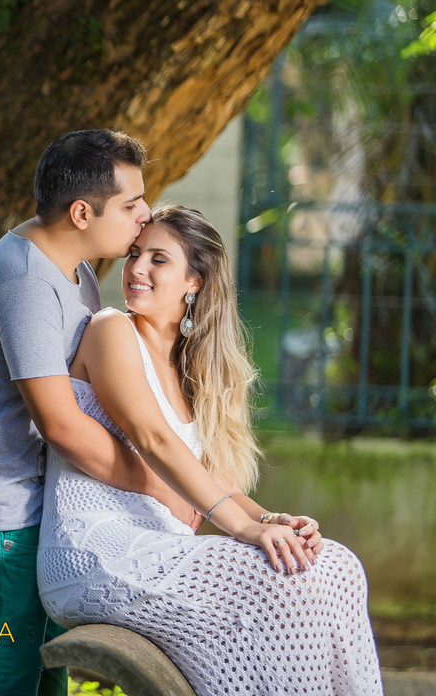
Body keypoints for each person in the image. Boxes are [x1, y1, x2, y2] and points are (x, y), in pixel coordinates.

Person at [37, 204, 381, 695]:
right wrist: (239, 527)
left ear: (194, 281)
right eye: (136, 254)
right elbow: (152, 439)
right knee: (289, 582)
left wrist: (269, 521)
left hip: (163, 549)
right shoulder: (110, 329)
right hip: (95, 548)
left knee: (338, 568)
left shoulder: (193, 368)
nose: (137, 268)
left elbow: (215, 482)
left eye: (159, 260)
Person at [0, 129, 204, 696]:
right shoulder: (25, 284)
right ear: (80, 212)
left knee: (43, 681)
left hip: (27, 516)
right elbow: (64, 426)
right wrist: (162, 489)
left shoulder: (75, 276)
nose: (144, 214)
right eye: (130, 204)